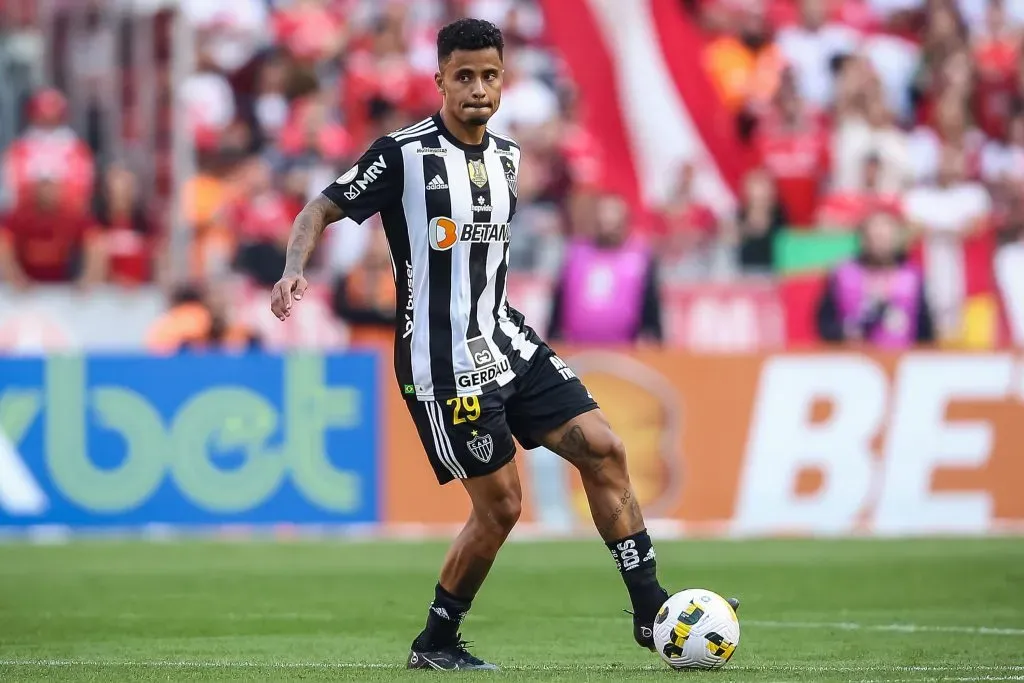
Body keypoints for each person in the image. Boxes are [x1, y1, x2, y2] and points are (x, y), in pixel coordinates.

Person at [270, 18, 739, 671]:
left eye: (490, 75)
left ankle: (651, 610)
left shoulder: (509, 157)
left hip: (507, 336)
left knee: (604, 449)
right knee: (502, 508)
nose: (478, 88)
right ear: (440, 80)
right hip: (445, 360)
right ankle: (435, 640)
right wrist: (295, 266)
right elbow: (319, 207)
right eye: (464, 76)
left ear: (503, 79)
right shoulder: (401, 155)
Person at [547, 193, 663, 344]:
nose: (608, 222)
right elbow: (560, 297)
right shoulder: (576, 254)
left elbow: (650, 301)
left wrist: (652, 334)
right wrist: (553, 334)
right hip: (575, 346)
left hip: (625, 348)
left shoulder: (639, 256)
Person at [816, 210, 936, 348]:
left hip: (901, 358)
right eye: (875, 237)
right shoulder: (843, 274)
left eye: (885, 237)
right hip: (853, 360)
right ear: (864, 239)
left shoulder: (912, 277)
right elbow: (825, 324)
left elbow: (926, 330)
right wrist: (848, 332)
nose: (880, 243)